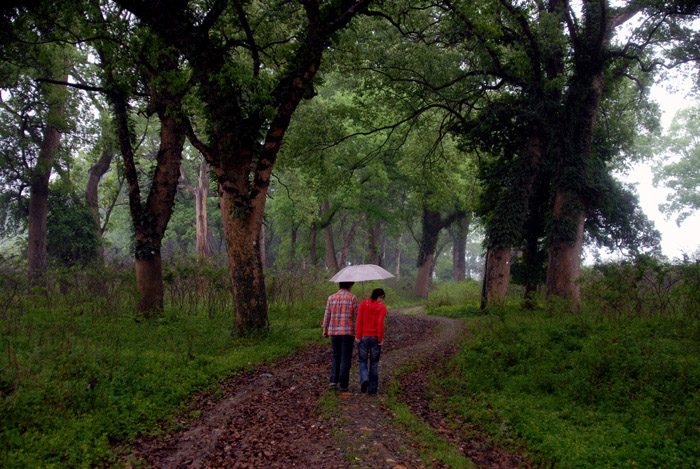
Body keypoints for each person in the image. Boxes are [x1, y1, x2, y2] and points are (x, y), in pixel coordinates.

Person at [322, 281, 358, 391]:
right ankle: (343, 384)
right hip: (347, 332)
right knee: (346, 358)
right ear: (350, 286)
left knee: (336, 356)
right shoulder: (352, 298)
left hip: (334, 332)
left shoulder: (331, 298)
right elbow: (358, 313)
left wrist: (325, 329)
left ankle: (333, 380)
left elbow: (327, 314)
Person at [355, 288, 387, 395]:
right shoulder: (382, 307)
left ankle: (364, 379)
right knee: (374, 363)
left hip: (363, 337)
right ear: (381, 296)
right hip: (374, 338)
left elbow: (359, 320)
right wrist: (380, 339)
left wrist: (358, 335)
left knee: (363, 361)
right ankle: (373, 389)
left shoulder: (363, 304)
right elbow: (380, 324)